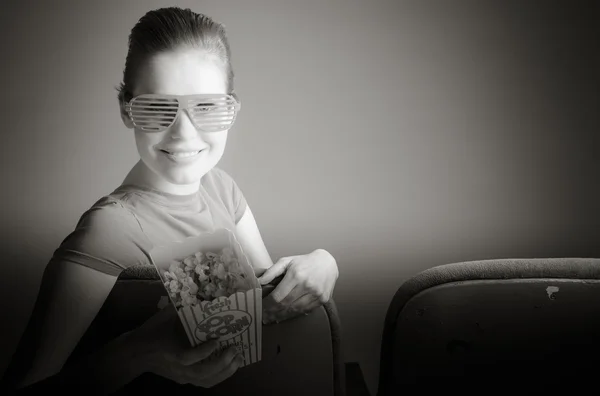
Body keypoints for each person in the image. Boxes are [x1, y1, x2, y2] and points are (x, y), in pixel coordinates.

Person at [1, 7, 339, 394]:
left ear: (232, 111)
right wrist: (138, 353)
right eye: (157, 107)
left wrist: (321, 264)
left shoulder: (223, 189)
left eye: (207, 107)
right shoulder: (108, 230)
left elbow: (270, 306)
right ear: (126, 111)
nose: (183, 133)